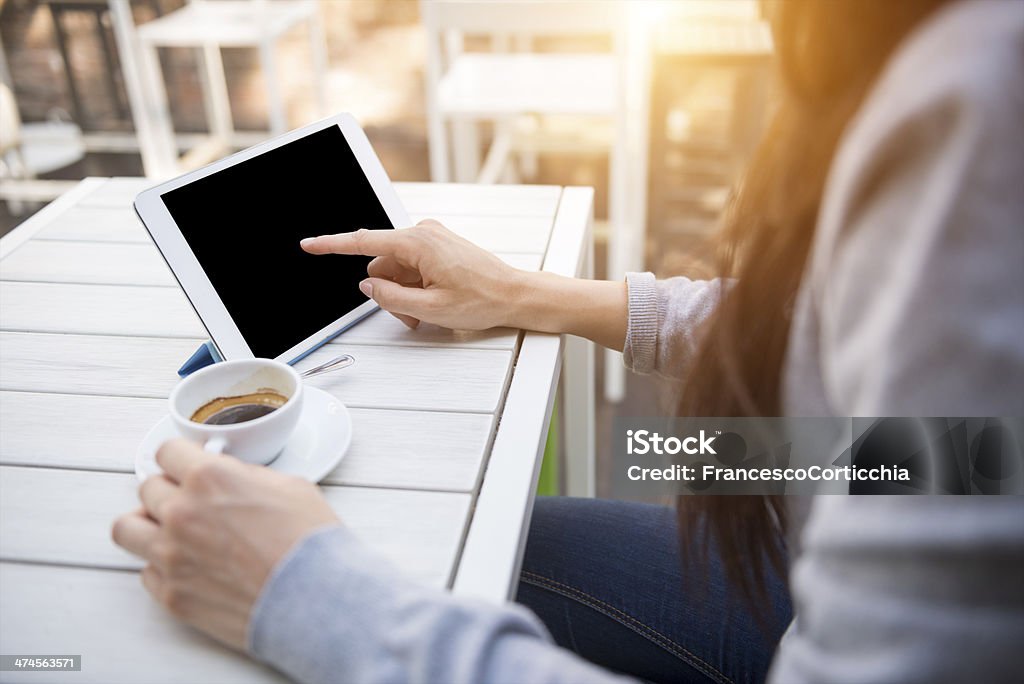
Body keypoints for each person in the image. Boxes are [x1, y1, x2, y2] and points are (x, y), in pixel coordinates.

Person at [112, 1, 1024, 682]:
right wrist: (521, 292)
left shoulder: (977, 89)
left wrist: (310, 599)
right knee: (584, 486)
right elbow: (856, 336)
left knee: (465, 542)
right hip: (897, 465)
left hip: (831, 536)